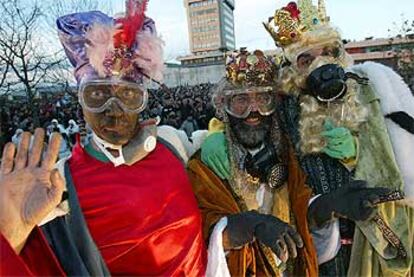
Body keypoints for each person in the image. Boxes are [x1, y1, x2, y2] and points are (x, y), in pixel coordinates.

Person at [202, 1, 413, 276]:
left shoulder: (369, 87)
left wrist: (357, 152)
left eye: (328, 52)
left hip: (376, 232)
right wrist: (217, 133)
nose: (321, 65)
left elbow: (403, 147)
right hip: (317, 237)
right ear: (293, 69)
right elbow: (248, 117)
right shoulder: (286, 104)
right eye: (306, 59)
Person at [0, 0, 207, 275]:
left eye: (128, 96)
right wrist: (12, 237)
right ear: (81, 102)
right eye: (97, 95)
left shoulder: (174, 143)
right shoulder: (56, 184)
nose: (114, 112)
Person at [188, 49, 353, 277]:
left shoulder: (289, 155)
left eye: (263, 99)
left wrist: (329, 205)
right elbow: (199, 230)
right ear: (223, 105)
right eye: (241, 99)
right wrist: (248, 226)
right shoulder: (206, 165)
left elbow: (302, 212)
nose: (253, 111)